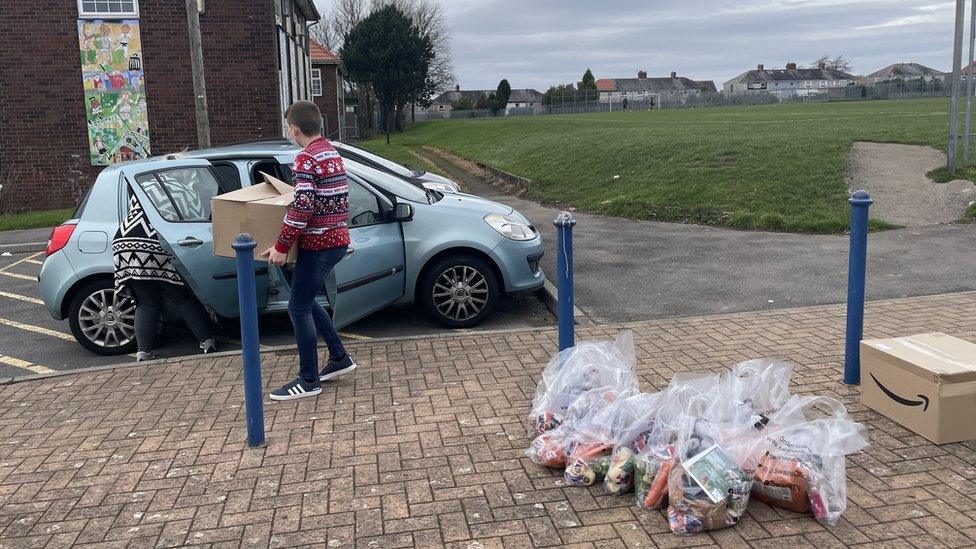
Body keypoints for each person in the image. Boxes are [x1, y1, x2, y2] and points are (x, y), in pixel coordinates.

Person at [263, 100, 356, 401]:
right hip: (337, 238)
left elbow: (303, 205)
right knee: (305, 300)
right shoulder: (331, 152)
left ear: (293, 129)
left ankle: (308, 379)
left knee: (297, 307)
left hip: (318, 243)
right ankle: (339, 358)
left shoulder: (305, 158)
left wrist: (281, 245)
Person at [112, 194, 215, 361]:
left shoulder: (144, 183)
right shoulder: (178, 188)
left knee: (145, 302)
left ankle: (143, 353)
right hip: (154, 241)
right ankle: (206, 342)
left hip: (124, 243)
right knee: (182, 297)